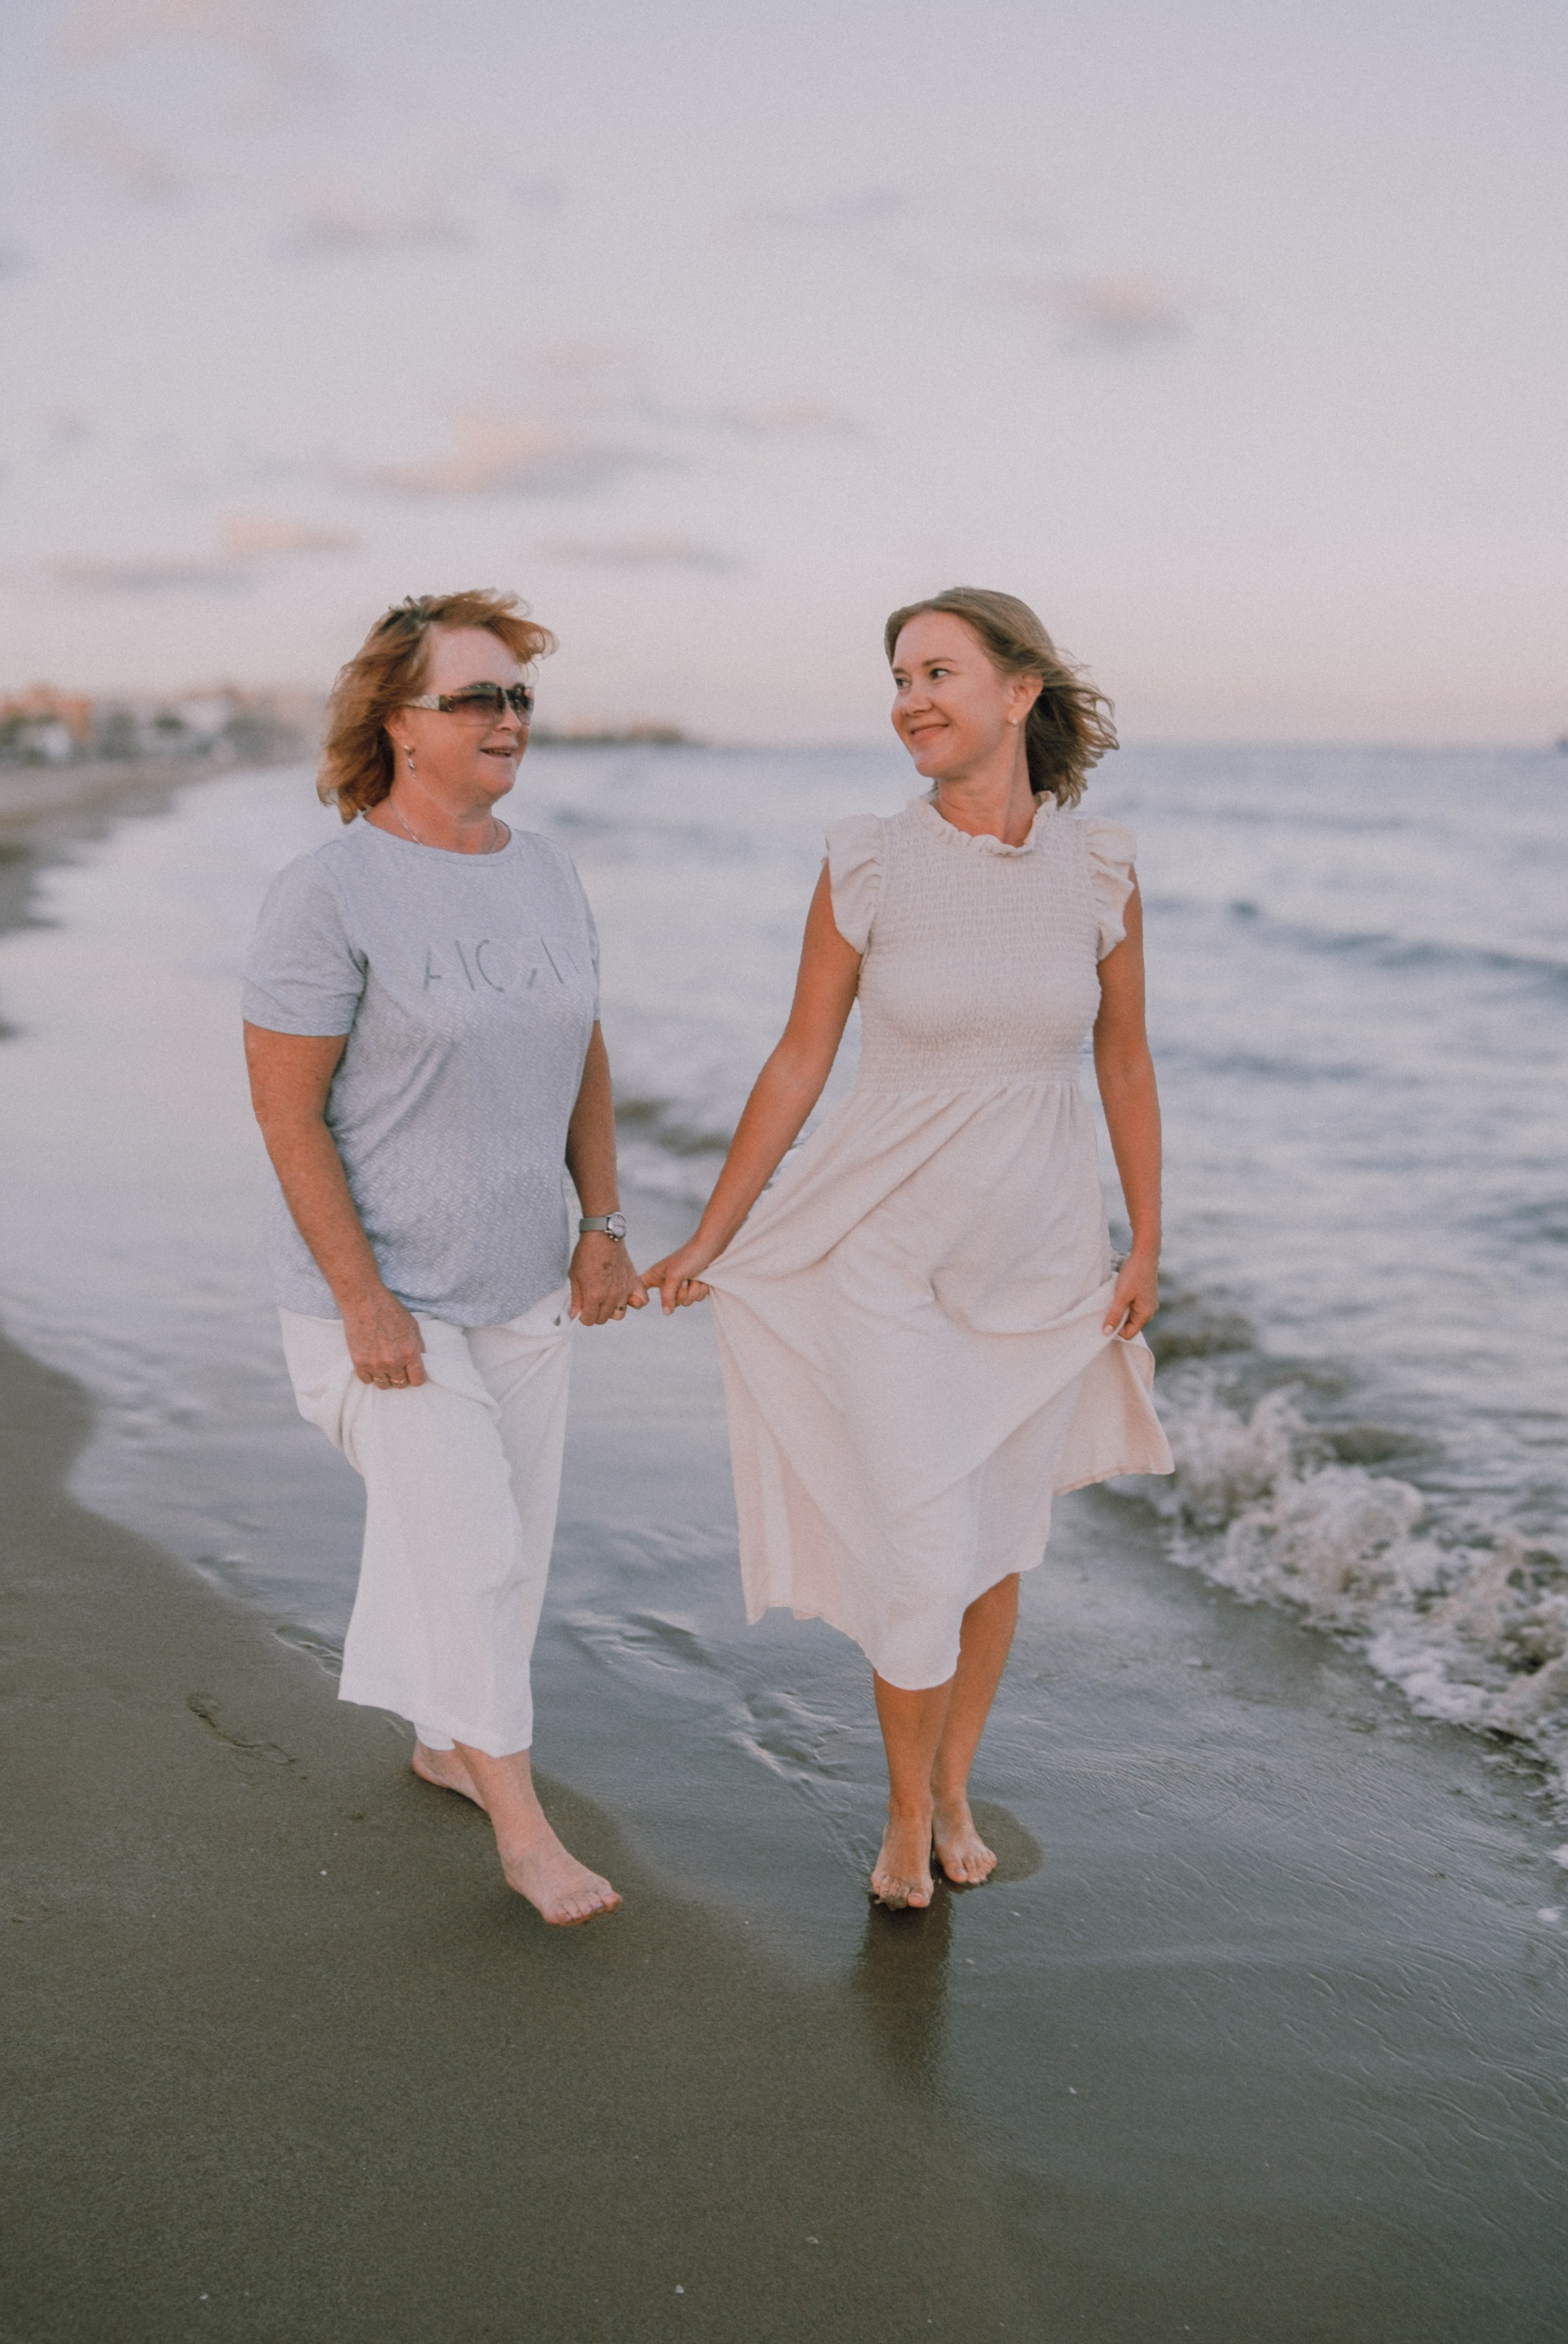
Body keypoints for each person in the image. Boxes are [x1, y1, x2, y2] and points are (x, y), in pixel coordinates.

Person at [642, 588, 1173, 1910]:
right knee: (922, 1545)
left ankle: (951, 1785)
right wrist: (715, 1232)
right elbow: (798, 1057)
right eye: (897, 678)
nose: (910, 699)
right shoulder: (867, 860)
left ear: (1019, 692)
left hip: (1037, 1258)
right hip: (879, 1250)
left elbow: (1124, 1064)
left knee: (995, 1545)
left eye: (938, 671)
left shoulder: (1099, 868)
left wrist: (1145, 1241)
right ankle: (897, 1815)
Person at [242, 590, 644, 1927]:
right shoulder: (326, 891)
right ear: (397, 725)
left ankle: (439, 1738)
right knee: (467, 1539)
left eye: (519, 696)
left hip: (525, 1278)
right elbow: (286, 1113)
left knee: (506, 1550)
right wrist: (363, 1300)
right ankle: (523, 1829)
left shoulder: (546, 870)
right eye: (477, 697)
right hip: (381, 1298)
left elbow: (582, 1047)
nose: (508, 719)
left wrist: (600, 1227)